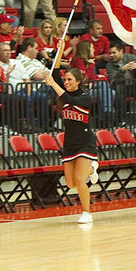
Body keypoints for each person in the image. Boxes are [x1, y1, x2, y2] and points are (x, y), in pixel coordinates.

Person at [43, 68, 99, 224]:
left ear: (78, 81)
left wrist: (54, 84)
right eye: (65, 80)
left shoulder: (84, 98)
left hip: (85, 143)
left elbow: (70, 99)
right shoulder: (64, 95)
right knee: (70, 183)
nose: (66, 82)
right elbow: (55, 71)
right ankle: (91, 169)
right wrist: (60, 50)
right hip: (69, 144)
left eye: (70, 80)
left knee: (80, 180)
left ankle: (87, 213)